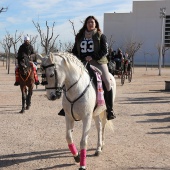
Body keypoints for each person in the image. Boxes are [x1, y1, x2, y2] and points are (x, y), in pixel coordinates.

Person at [58, 16, 116, 120]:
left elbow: (104, 50)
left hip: (98, 62)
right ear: (86, 24)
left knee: (107, 82)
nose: (90, 24)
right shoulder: (79, 36)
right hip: (82, 62)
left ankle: (109, 110)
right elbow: (75, 50)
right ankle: (65, 107)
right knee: (68, 79)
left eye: (92, 22)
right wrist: (78, 59)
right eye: (89, 22)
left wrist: (93, 57)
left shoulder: (100, 35)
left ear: (96, 24)